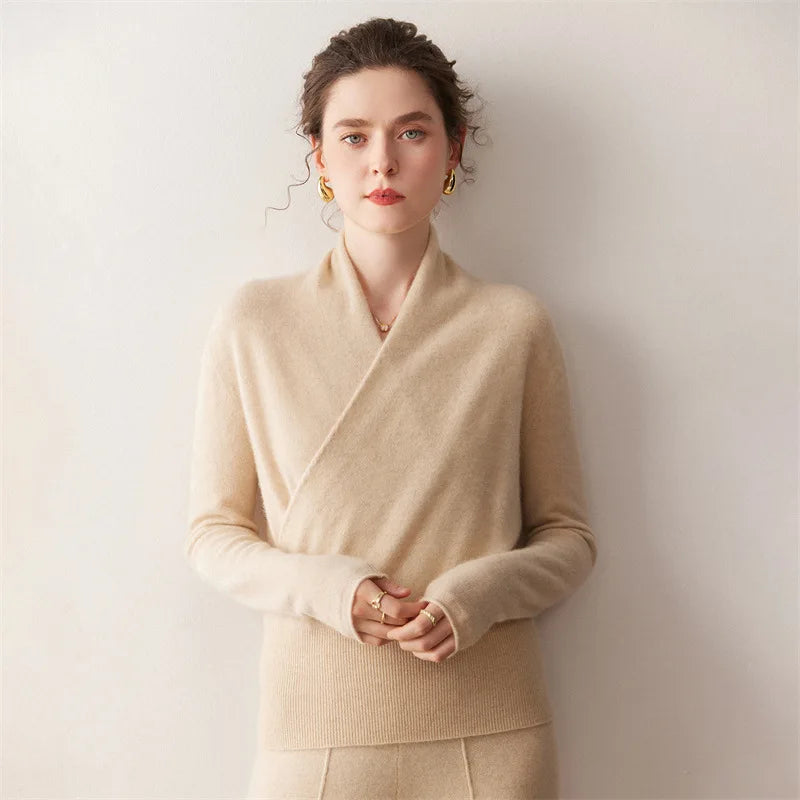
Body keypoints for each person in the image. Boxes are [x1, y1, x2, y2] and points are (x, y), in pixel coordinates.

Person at [185, 17, 598, 800]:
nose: (382, 161)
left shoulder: (512, 325)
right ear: (319, 157)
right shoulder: (255, 323)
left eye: (412, 132)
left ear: (453, 147)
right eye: (353, 136)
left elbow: (568, 539)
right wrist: (333, 591)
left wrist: (475, 597)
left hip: (492, 730)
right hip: (315, 731)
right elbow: (213, 535)